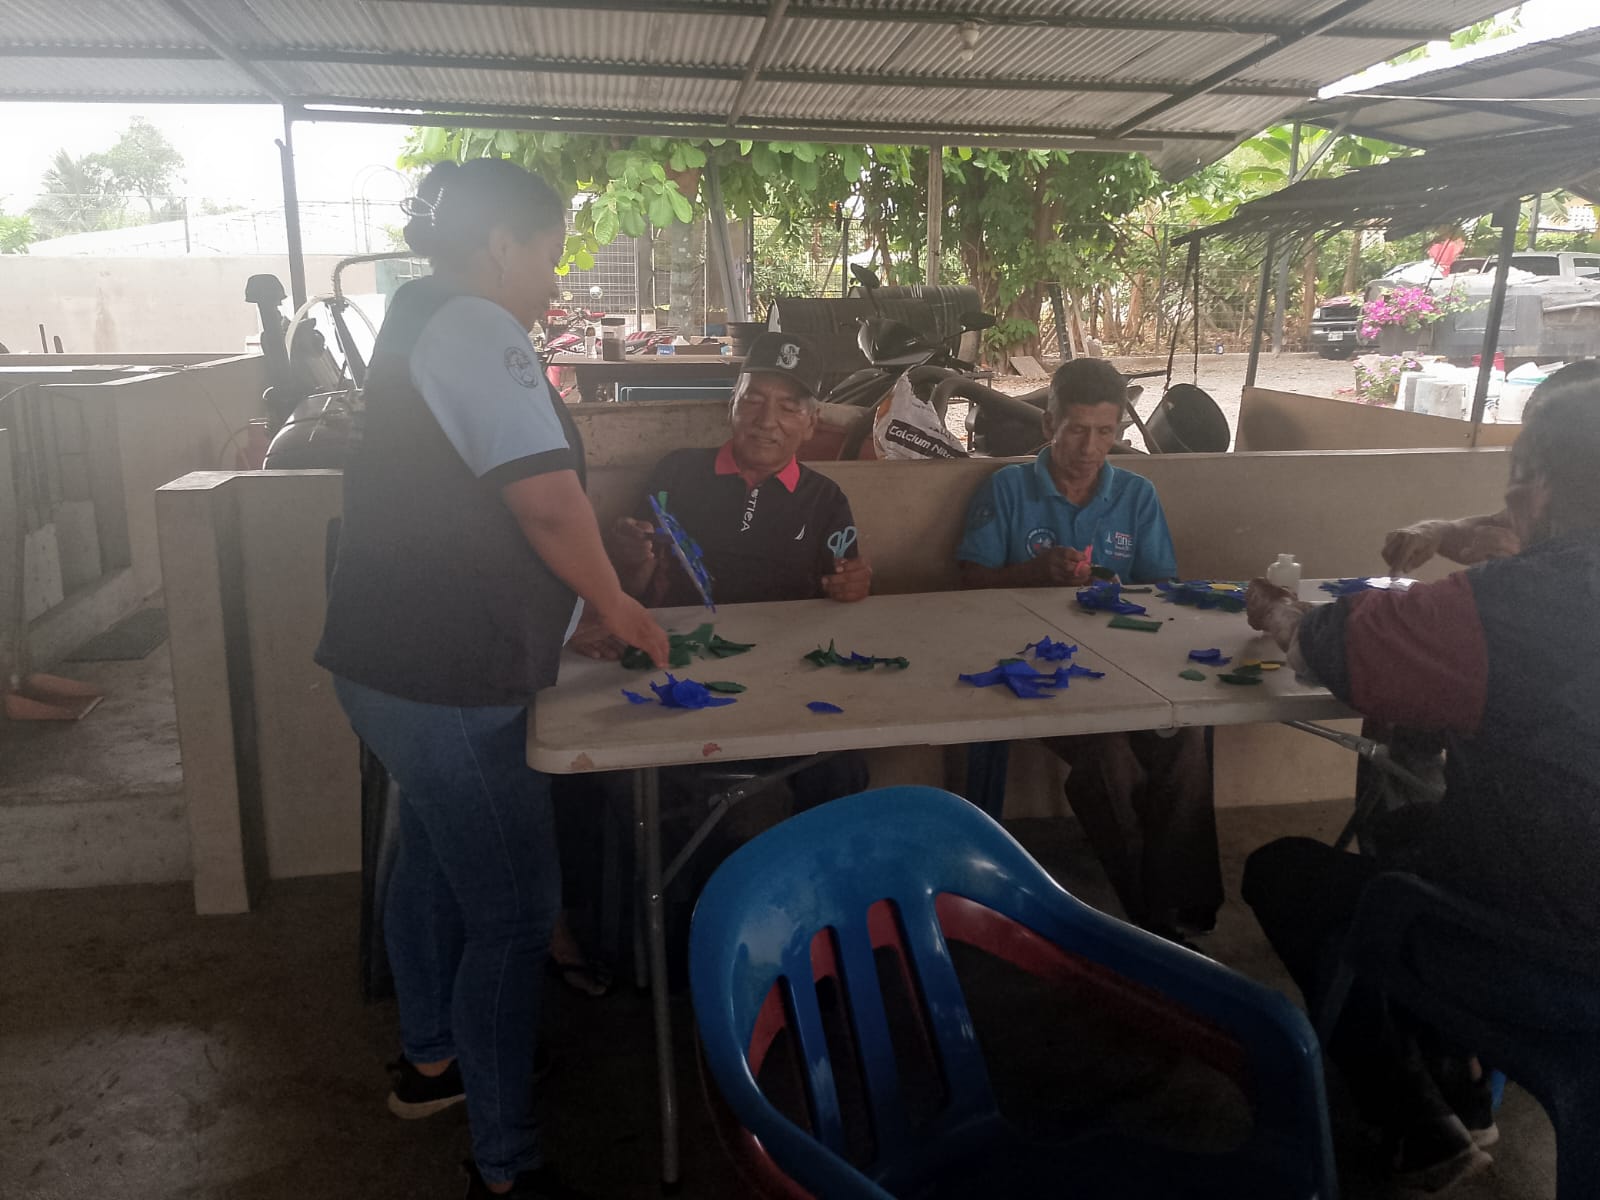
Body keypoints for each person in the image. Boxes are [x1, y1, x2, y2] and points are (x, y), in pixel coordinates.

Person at [316, 158, 669, 1200]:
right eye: (549, 255)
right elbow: (545, 504)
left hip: (391, 665)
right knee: (515, 916)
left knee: (429, 860)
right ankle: (506, 1165)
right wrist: (619, 607)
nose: (553, 281)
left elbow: (470, 509)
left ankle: (433, 1061)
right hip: (447, 680)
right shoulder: (474, 325)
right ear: (503, 244)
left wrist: (571, 611)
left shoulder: (418, 316)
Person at [1241, 361, 1600, 1191]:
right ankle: (1462, 1081)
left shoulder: (1515, 606)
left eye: (1518, 481)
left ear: (1538, 488)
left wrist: (1281, 612)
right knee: (1406, 828)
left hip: (1550, 958)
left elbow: (1341, 643)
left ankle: (1420, 1121)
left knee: (1288, 874)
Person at [956, 358, 1222, 941]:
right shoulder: (1007, 488)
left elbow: (1161, 590)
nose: (1090, 447)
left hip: (1125, 664)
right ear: (1048, 422)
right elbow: (969, 584)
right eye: (1077, 429)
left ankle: (1190, 906)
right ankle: (1150, 918)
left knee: (1187, 733)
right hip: (1033, 670)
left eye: (1105, 431)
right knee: (1108, 753)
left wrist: (1115, 590)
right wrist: (1033, 574)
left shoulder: (1136, 494)